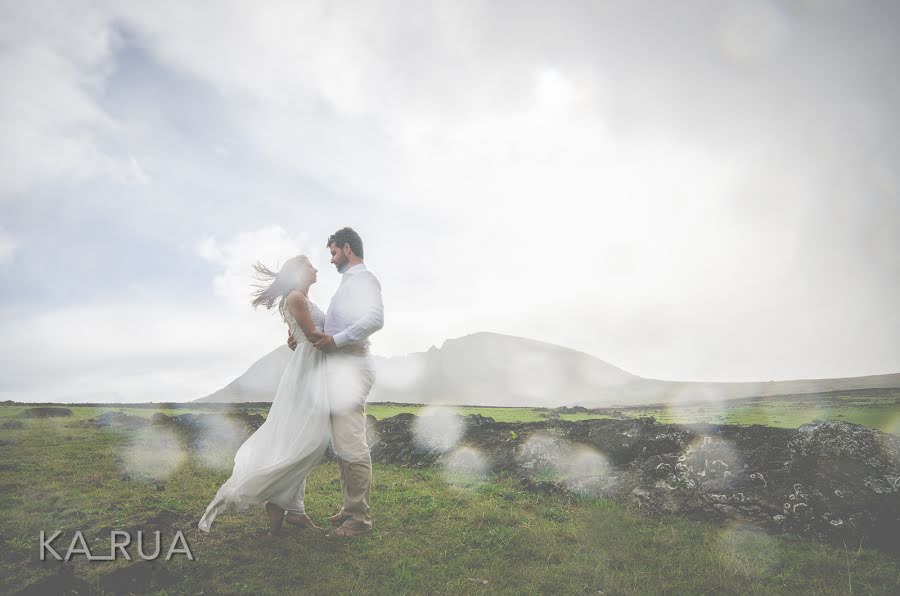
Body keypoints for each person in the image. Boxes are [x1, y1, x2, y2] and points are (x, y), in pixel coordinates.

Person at [197, 255, 332, 537]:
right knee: (311, 440)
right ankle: (271, 496)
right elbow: (316, 339)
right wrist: (351, 339)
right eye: (309, 265)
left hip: (309, 370)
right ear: (298, 272)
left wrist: (298, 341)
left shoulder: (300, 299)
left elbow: (298, 340)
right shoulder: (295, 297)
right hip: (307, 374)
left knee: (296, 438)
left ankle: (293, 511)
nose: (316, 268)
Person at [286, 226, 384, 537]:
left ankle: (358, 521)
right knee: (344, 443)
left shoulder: (364, 279)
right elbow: (331, 327)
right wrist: (301, 338)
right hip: (342, 370)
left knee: (351, 442)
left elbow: (375, 318)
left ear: (347, 249)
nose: (330, 260)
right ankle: (349, 508)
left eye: (333, 253)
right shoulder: (347, 285)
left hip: (353, 370)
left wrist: (337, 340)